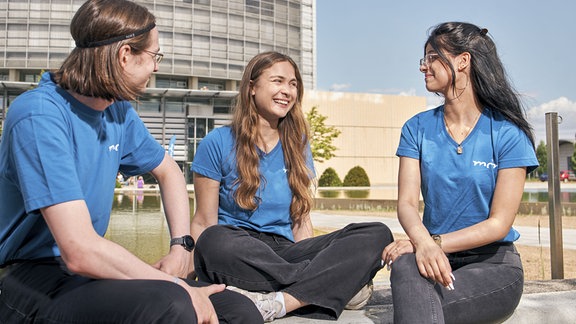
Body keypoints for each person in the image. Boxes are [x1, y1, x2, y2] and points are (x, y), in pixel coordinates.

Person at [0, 1, 261, 323]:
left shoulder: (117, 112)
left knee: (236, 309)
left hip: (86, 274)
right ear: (125, 55)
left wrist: (181, 247)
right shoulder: (39, 116)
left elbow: (168, 171)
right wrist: (177, 286)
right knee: (173, 303)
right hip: (28, 276)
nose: (156, 68)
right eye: (154, 56)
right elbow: (79, 250)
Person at [190, 51, 394, 322]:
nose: (287, 91)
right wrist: (185, 277)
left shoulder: (297, 144)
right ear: (251, 88)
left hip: (287, 251)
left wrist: (314, 254)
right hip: (240, 249)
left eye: (293, 84)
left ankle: (282, 301)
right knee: (213, 241)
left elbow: (301, 220)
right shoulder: (216, 142)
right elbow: (204, 222)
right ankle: (335, 284)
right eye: (278, 81)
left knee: (377, 233)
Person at [382, 22, 538, 323]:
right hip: (432, 258)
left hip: (494, 265)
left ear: (462, 61)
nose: (423, 67)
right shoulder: (416, 128)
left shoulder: (507, 134)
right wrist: (423, 244)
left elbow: (499, 224)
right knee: (404, 265)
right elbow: (406, 204)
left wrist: (432, 243)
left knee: (422, 305)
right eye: (423, 59)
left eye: (431, 57)